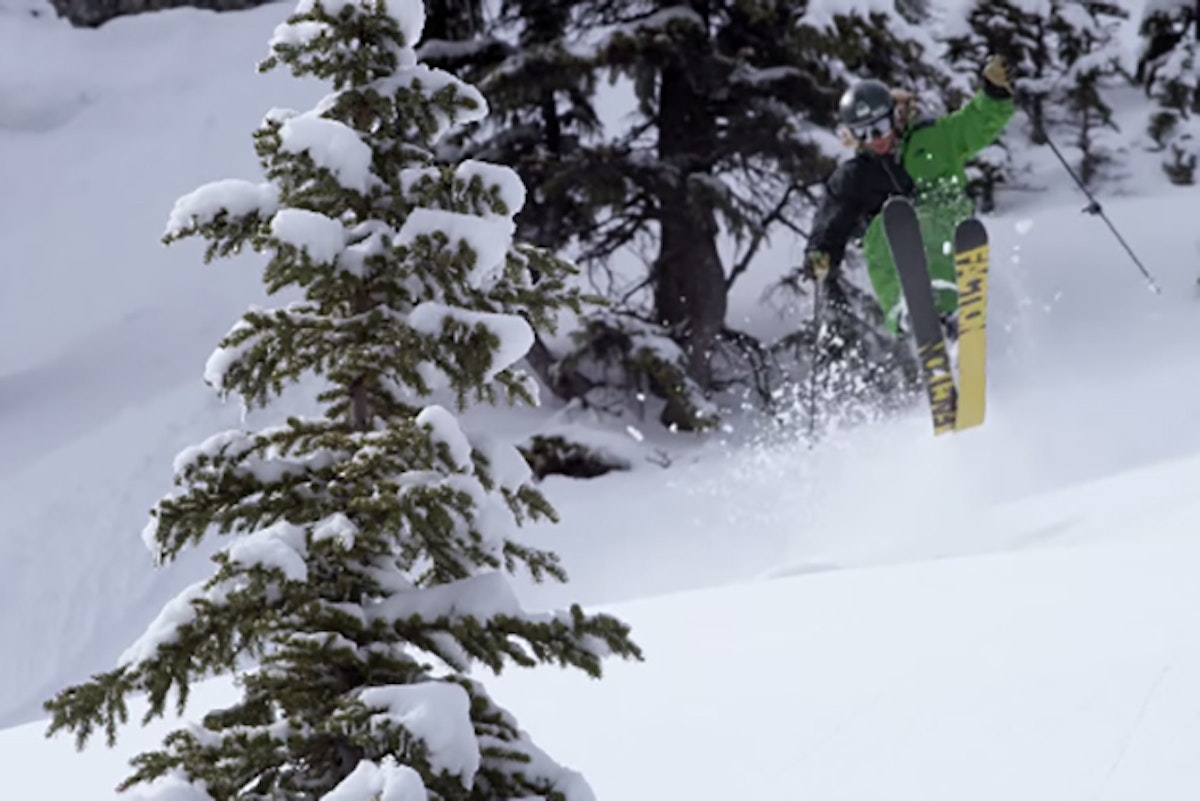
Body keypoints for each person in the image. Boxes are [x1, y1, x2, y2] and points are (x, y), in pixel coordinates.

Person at [803, 56, 1015, 338]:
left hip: (946, 215)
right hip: (899, 231)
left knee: (924, 223)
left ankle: (946, 305)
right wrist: (821, 251)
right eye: (864, 133)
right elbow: (831, 215)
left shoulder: (935, 137)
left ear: (895, 116)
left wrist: (994, 92)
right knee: (879, 236)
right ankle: (906, 312)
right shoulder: (856, 176)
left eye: (879, 128)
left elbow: (976, 124)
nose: (876, 139)